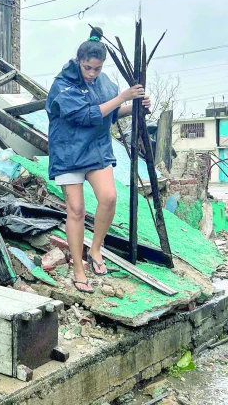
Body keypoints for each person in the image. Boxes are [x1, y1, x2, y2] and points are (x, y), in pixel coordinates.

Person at [45, 27, 151, 293]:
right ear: (79, 61)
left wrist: (136, 105)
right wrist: (121, 97)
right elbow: (87, 116)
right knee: (77, 210)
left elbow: (111, 115)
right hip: (69, 152)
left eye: (97, 68)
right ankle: (78, 269)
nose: (92, 73)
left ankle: (95, 250)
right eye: (87, 67)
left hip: (95, 150)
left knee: (109, 197)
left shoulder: (105, 84)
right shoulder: (63, 84)